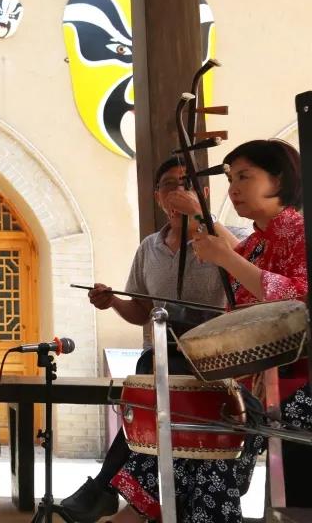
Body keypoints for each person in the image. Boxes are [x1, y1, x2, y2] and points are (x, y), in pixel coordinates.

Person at [111, 139, 310, 522]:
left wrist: (225, 257)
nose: (234, 188)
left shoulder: (300, 232)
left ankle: (136, 512)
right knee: (190, 433)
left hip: (296, 385)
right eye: (231, 179)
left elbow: (299, 299)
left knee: (208, 437)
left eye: (245, 177)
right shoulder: (255, 242)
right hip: (256, 385)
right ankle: (140, 510)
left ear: (280, 179)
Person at [61, 157, 239, 522]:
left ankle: (104, 488)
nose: (178, 192)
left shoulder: (222, 237)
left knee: (151, 401)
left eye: (186, 184)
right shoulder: (149, 248)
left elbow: (251, 263)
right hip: (161, 358)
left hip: (212, 362)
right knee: (149, 389)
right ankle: (113, 492)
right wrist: (113, 301)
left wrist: (202, 218)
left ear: (203, 193)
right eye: (169, 185)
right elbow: (142, 311)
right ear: (157, 196)